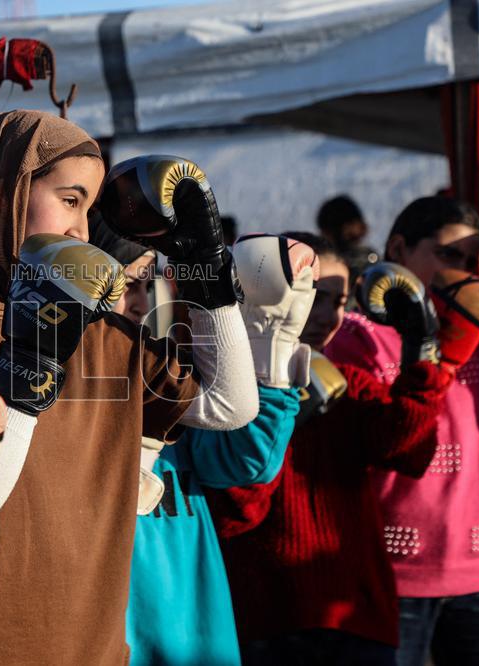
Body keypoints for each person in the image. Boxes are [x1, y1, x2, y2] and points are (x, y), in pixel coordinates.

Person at [0, 113, 260, 664]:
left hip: (92, 647)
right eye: (70, 200)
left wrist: (203, 263)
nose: (83, 231)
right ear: (3, 193)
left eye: (91, 206)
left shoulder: (96, 325)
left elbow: (229, 405)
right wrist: (25, 372)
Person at [212, 231, 479, 665]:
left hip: (356, 613)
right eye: (314, 296)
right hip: (266, 615)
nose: (328, 315)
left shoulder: (348, 382)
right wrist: (273, 411)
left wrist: (422, 350)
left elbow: (410, 449)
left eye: (340, 301)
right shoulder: (221, 391)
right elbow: (235, 512)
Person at [325, 197, 479, 666]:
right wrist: (441, 356)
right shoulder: (357, 337)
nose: (464, 270)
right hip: (390, 572)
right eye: (449, 255)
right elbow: (390, 440)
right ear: (400, 249)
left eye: (472, 259)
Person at [113, 232, 313, 665]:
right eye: (126, 284)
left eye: (149, 285)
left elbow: (246, 462)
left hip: (200, 641)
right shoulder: (50, 396)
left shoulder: (172, 381)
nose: (141, 301)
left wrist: (269, 354)